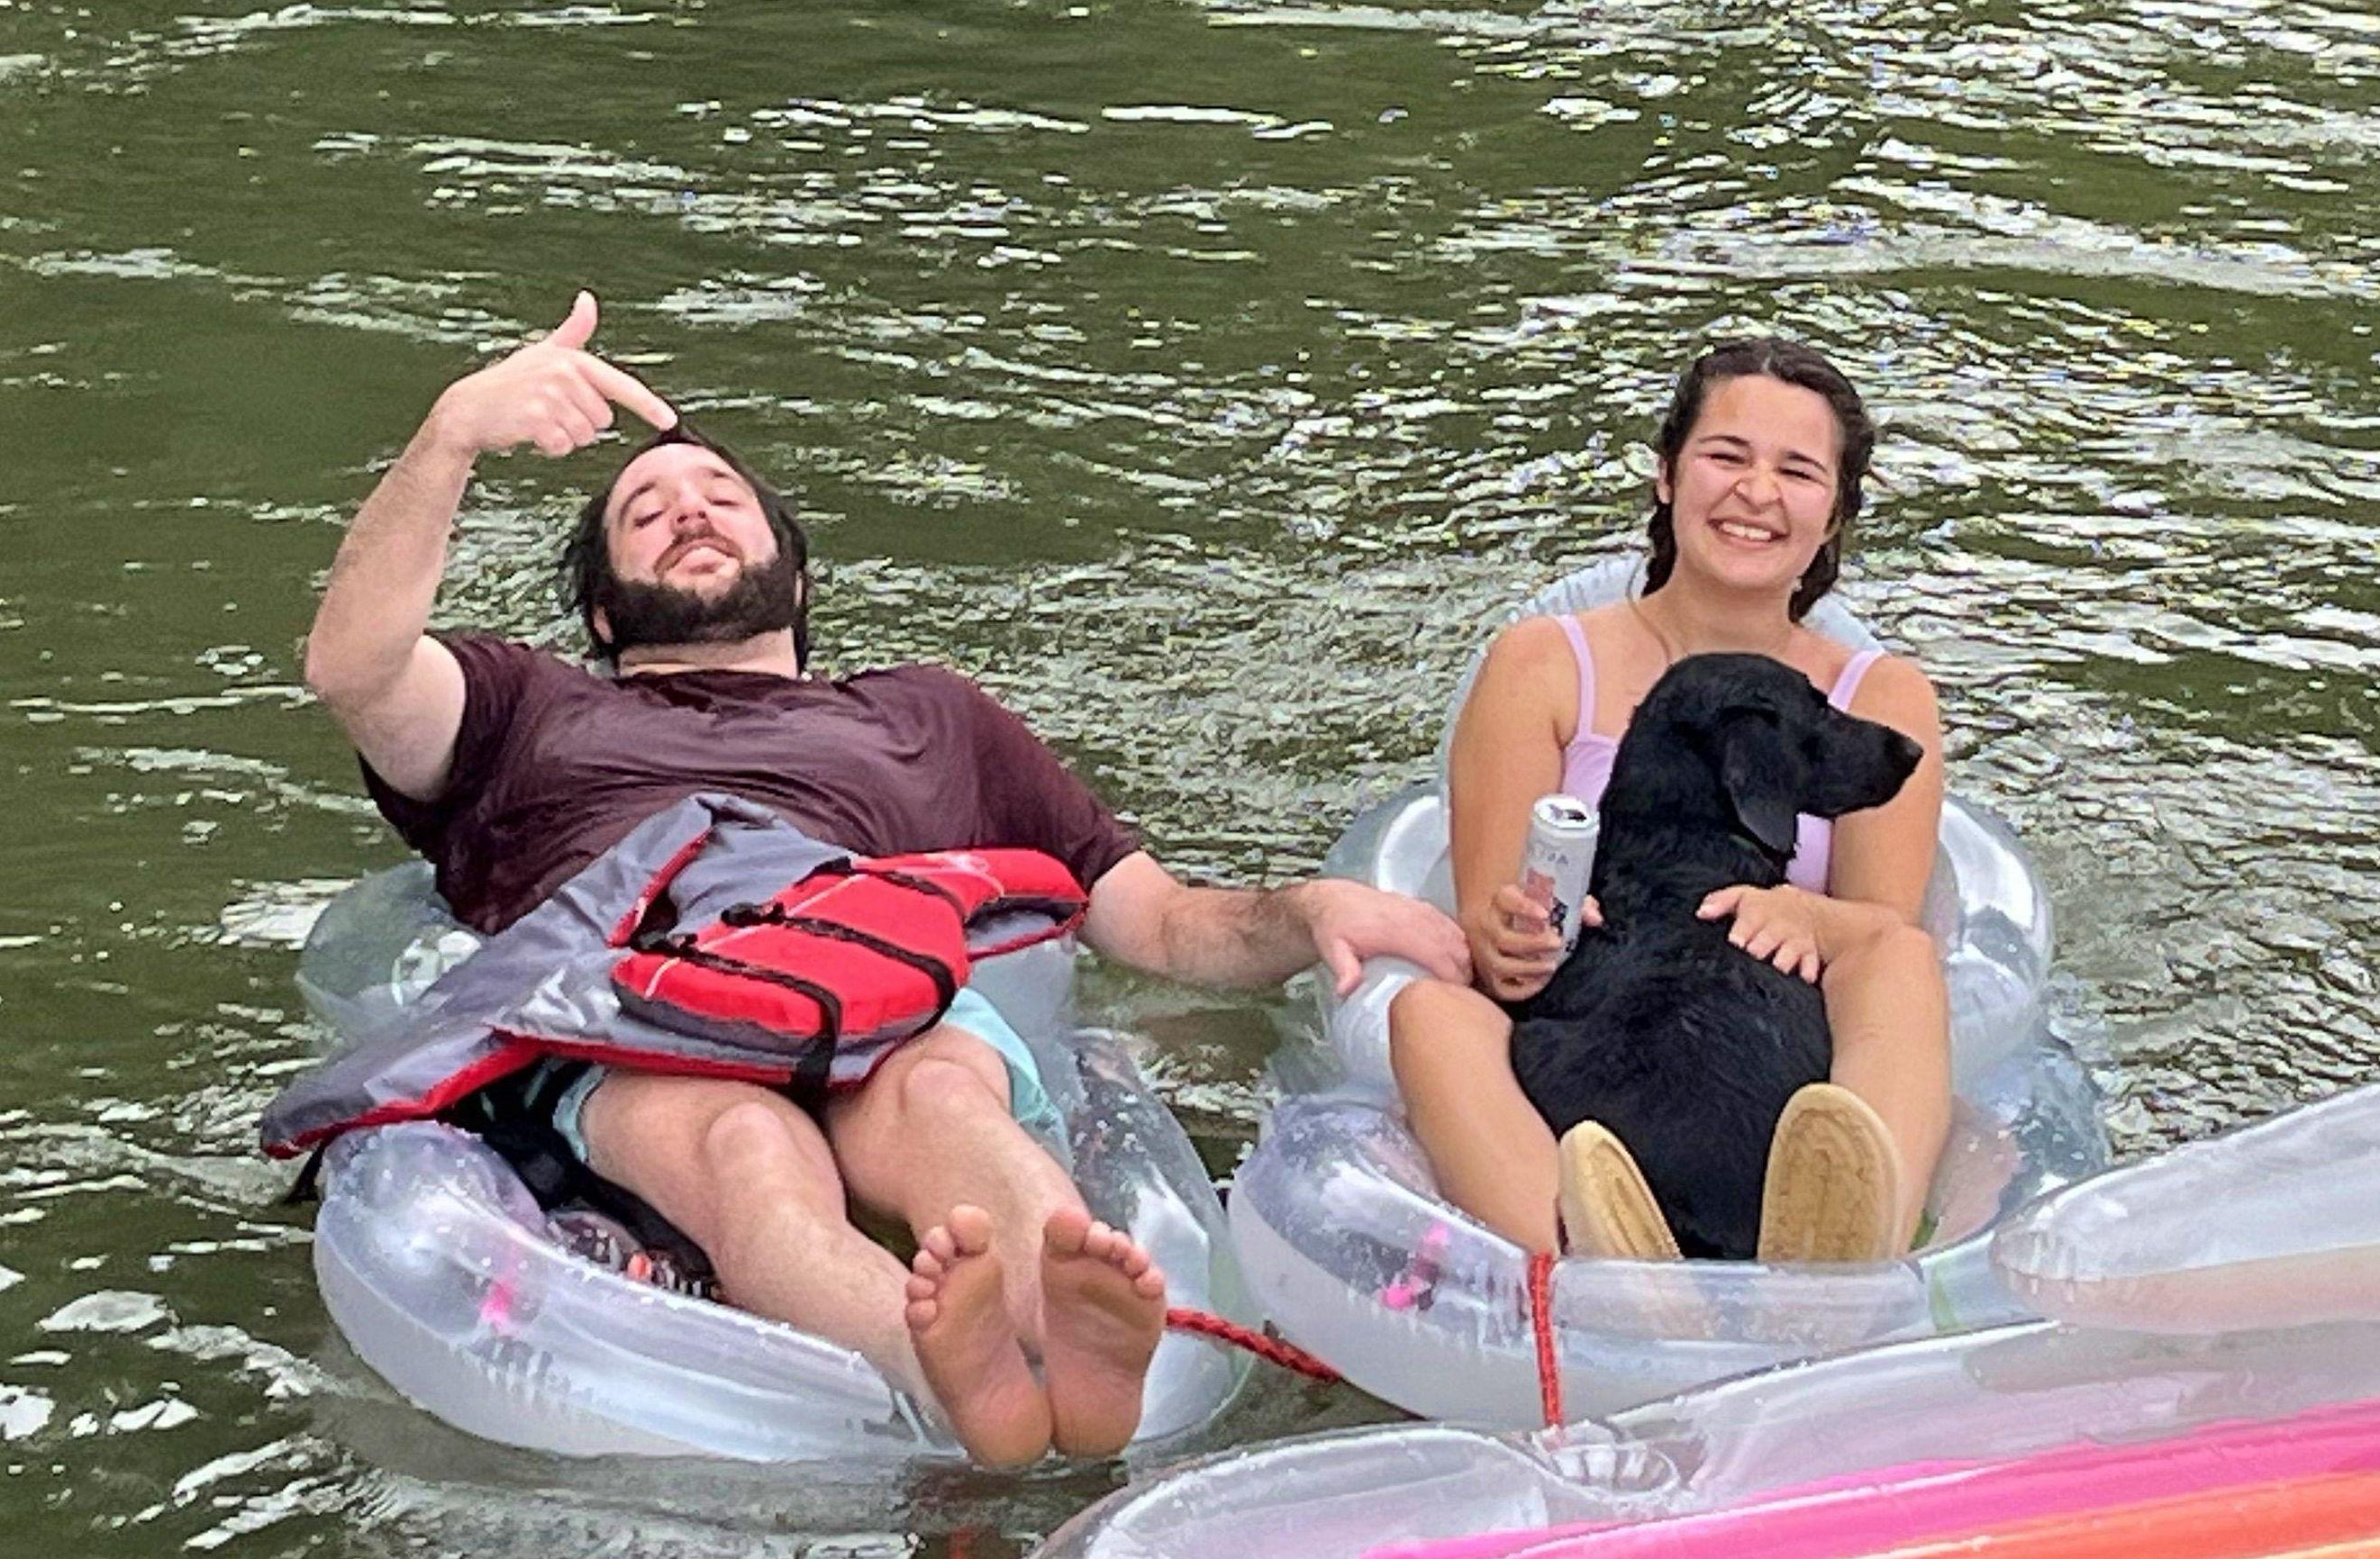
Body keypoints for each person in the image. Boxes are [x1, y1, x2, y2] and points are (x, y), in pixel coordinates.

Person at [299, 293, 1467, 1466]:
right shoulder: (524, 709)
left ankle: (1074, 1342)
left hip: (871, 977)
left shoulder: (928, 716)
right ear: (604, 611)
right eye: (645, 511)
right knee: (746, 1149)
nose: (689, 510)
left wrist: (1307, 909)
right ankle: (945, 1370)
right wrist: (452, 435)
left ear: (797, 582)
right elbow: (355, 669)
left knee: (945, 1101)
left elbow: (1155, 921)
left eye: (722, 498)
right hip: (638, 1000)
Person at [1387, 337, 1950, 1262]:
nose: (1756, 492)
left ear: (1834, 513)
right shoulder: (1541, 663)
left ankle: (1843, 1250)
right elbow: (1486, 927)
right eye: (1726, 456)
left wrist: (1802, 912)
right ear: (1667, 474)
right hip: (1602, 1033)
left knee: (1902, 956)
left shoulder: (1881, 697)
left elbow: (1880, 928)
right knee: (1428, 1013)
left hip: (1764, 1044)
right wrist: (1518, 933)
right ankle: (1605, 1261)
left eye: (1797, 471)